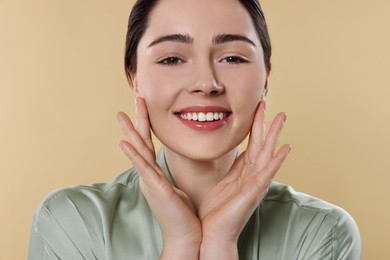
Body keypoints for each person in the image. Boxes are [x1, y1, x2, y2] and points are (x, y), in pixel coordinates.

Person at [28, 0, 361, 259]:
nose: (206, 84)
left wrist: (220, 245)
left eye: (232, 58)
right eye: (172, 59)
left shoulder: (322, 231)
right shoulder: (72, 223)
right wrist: (181, 245)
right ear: (135, 79)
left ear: (266, 79)